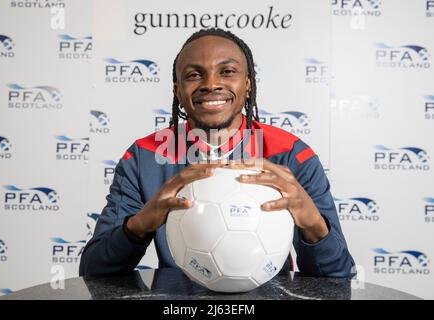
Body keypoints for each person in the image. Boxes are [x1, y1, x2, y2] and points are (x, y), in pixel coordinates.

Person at [79, 28, 355, 278]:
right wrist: (138, 226)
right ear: (178, 89)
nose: (211, 84)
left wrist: (312, 222)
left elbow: (338, 275)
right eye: (194, 74)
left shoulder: (291, 154)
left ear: (247, 84)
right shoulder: (144, 157)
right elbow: (93, 270)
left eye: (227, 71)